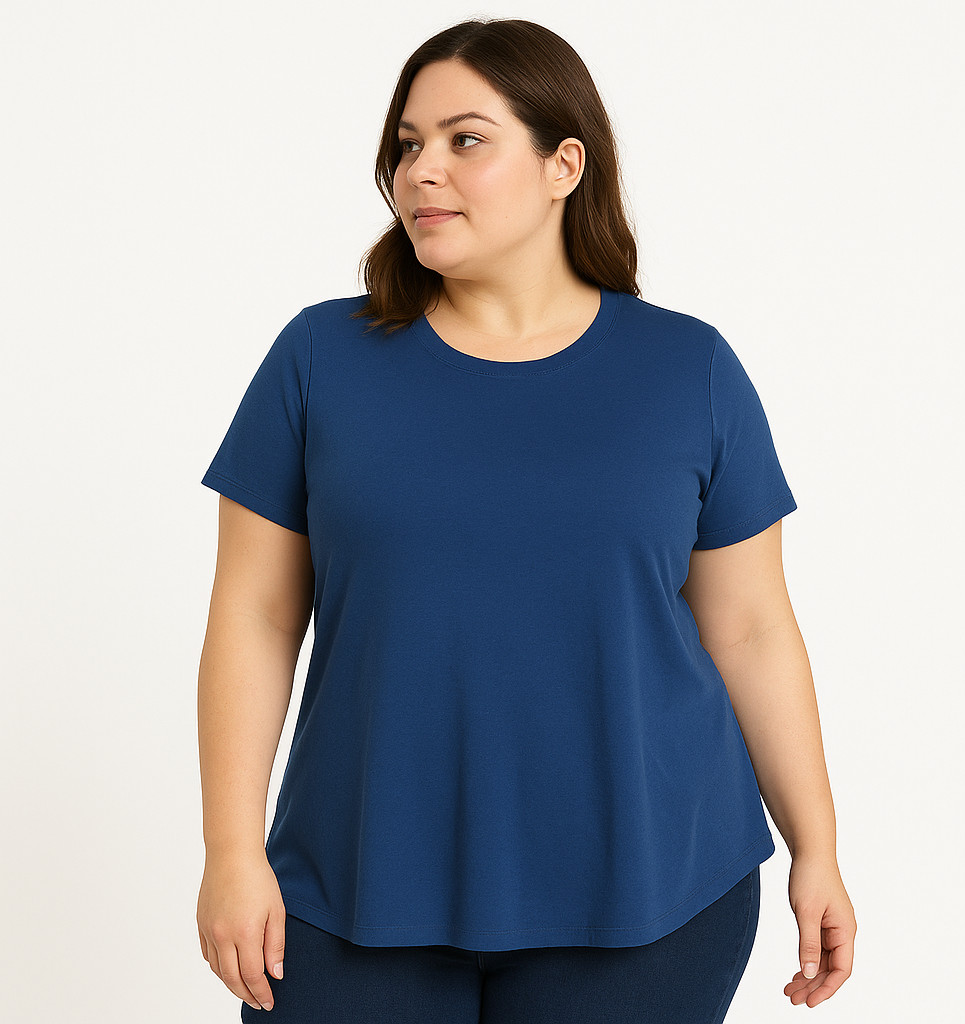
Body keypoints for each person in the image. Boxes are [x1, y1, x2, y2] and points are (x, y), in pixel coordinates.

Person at [196, 17, 856, 1024]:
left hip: (650, 898)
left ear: (563, 165)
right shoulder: (319, 359)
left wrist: (818, 847)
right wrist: (231, 851)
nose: (421, 170)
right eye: (407, 144)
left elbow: (752, 627)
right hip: (350, 886)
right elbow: (255, 615)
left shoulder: (688, 370)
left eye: (465, 139)